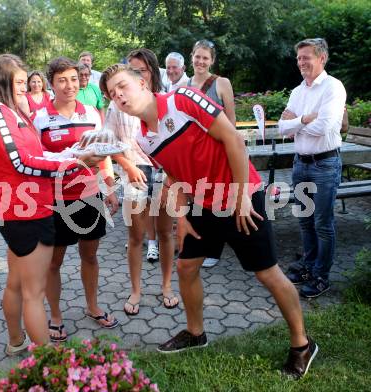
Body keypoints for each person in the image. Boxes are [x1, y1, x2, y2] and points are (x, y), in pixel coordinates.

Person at [100, 64, 318, 379]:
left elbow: (233, 140)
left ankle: (301, 344)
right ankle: (195, 333)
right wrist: (183, 216)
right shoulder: (144, 139)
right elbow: (175, 176)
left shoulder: (183, 99)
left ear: (142, 82)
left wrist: (242, 196)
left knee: (267, 273)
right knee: (186, 267)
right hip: (203, 204)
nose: (119, 95)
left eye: (122, 86)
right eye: (112, 93)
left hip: (240, 195)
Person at [0, 54, 102, 353]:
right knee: (33, 292)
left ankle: (16, 341)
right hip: (27, 210)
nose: (25, 87)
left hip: (24, 208)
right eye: (19, 82)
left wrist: (70, 156)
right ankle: (48, 359)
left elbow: (38, 155)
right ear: (2, 81)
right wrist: (73, 165)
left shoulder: (9, 112)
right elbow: (21, 163)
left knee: (17, 283)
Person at [32, 56, 119, 341]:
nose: (69, 85)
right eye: (62, 80)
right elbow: (33, 160)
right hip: (54, 200)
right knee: (54, 262)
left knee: (90, 255)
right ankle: (55, 316)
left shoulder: (92, 113)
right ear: (51, 84)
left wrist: (109, 186)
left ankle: (92, 307)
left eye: (73, 79)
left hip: (89, 195)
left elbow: (103, 152)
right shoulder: (40, 118)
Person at [104, 48, 179, 316]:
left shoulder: (166, 101)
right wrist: (126, 164)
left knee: (166, 232)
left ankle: (167, 286)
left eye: (141, 70)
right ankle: (136, 290)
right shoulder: (117, 105)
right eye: (131, 69)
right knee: (135, 236)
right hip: (133, 173)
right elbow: (108, 142)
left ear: (149, 75)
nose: (136, 74)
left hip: (165, 173)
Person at [278, 38, 345, 298]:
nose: (301, 62)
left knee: (322, 224)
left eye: (306, 57)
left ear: (322, 58)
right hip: (301, 165)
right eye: (298, 58)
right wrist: (305, 118)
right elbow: (282, 129)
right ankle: (308, 266)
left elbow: (326, 127)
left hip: (325, 165)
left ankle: (321, 276)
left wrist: (295, 123)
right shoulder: (298, 91)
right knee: (305, 221)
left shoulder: (333, 88)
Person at [188, 39, 237, 268]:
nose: (200, 61)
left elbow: (231, 120)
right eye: (197, 56)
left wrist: (231, 149)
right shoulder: (185, 85)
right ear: (192, 57)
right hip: (196, 154)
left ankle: (215, 250)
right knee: (199, 200)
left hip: (218, 151)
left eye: (205, 58)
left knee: (218, 199)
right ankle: (200, 245)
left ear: (212, 61)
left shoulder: (222, 83)